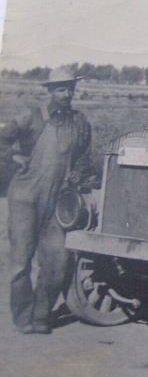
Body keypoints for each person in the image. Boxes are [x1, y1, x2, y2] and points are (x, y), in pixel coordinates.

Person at [0, 66, 92, 334]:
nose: (67, 94)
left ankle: (41, 316)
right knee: (21, 262)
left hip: (60, 202)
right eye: (61, 89)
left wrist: (79, 173)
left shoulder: (80, 122)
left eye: (70, 89)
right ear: (51, 91)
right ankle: (23, 317)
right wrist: (13, 157)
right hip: (25, 197)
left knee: (57, 260)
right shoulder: (31, 117)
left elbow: (85, 157)